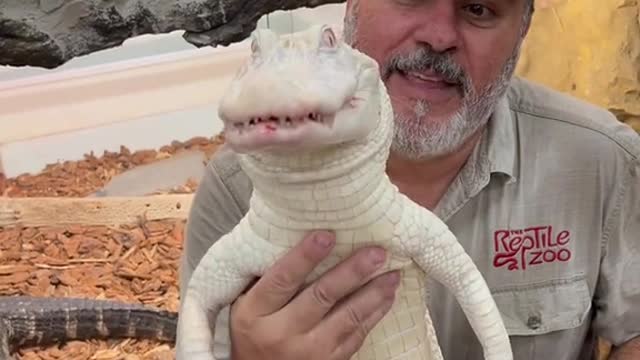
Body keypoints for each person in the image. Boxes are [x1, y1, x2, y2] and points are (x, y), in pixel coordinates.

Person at [178, 0, 640, 359]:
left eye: (479, 8)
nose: (439, 36)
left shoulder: (603, 161)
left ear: (522, 32)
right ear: (352, 7)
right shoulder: (235, 186)